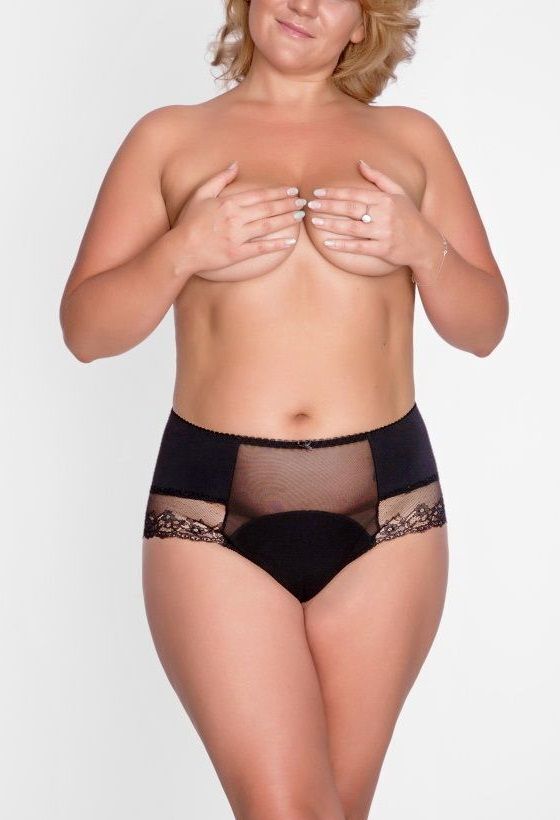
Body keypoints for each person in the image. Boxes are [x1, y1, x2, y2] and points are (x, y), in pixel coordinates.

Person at [59, 0, 509, 817]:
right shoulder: (169, 138)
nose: (303, 4)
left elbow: (484, 328)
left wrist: (421, 247)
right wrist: (183, 251)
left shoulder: (411, 141)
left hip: (391, 508)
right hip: (210, 504)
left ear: (363, 23)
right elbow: (86, 332)